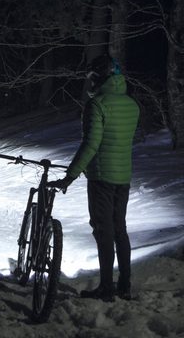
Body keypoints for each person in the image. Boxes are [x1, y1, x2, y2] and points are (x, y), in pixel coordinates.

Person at [49, 54, 139, 302]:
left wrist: (70, 176)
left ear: (99, 77)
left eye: (92, 77)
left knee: (104, 231)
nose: (90, 83)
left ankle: (107, 289)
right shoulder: (132, 104)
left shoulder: (97, 105)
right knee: (120, 229)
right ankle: (125, 286)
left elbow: (91, 145)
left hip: (101, 178)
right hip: (124, 177)